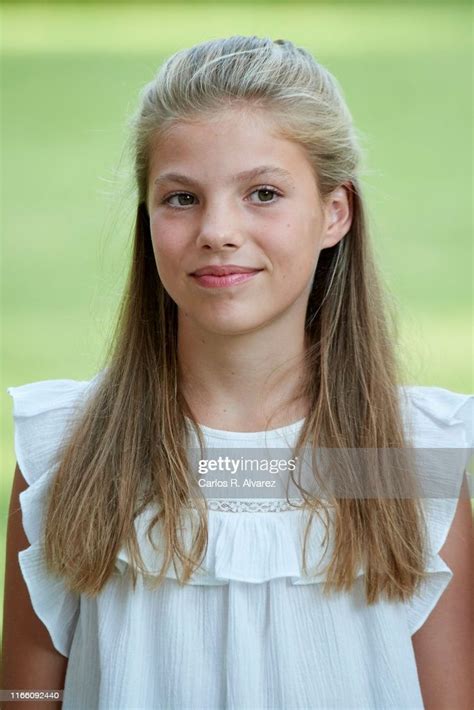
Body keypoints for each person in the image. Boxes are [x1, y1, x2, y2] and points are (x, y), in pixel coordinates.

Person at [2, 35, 473, 710]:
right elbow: (23, 696)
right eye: (181, 198)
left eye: (262, 192)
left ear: (334, 212)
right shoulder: (66, 449)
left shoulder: (401, 456)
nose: (218, 229)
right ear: (148, 215)